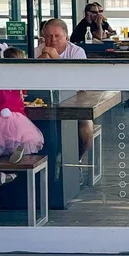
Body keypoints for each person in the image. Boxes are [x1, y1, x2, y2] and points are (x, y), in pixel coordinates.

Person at [0, 47, 45, 186]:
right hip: (17, 118)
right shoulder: (19, 81)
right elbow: (22, 97)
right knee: (16, 141)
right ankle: (18, 149)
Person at [34, 17, 92, 156]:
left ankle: (75, 160)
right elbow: (33, 79)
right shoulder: (37, 52)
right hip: (44, 101)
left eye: (57, 36)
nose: (52, 40)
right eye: (48, 36)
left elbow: (80, 81)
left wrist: (56, 58)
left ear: (66, 36)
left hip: (74, 99)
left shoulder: (77, 52)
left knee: (86, 128)